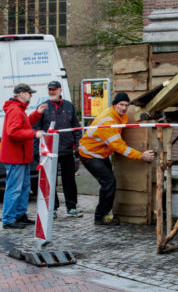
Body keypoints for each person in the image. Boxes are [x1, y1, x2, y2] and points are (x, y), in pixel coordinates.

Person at [78, 92, 154, 225]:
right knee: (109, 182)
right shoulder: (107, 120)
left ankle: (104, 214)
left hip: (100, 154)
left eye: (126, 105)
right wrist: (141, 155)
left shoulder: (120, 115)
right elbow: (119, 146)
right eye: (121, 105)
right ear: (114, 105)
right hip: (90, 155)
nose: (124, 108)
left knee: (109, 183)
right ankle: (100, 217)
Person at [1, 84, 47, 229]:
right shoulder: (15, 110)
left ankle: (20, 215)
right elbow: (13, 132)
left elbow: (24, 124)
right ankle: (8, 219)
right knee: (14, 188)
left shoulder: (18, 109)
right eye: (29, 93)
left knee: (24, 187)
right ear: (21, 94)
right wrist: (34, 134)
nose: (31, 96)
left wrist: (37, 114)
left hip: (21, 157)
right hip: (16, 157)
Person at [34, 81, 83, 218]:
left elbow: (76, 128)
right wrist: (36, 150)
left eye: (54, 90)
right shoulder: (43, 107)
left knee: (69, 181)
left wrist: (79, 145)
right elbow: (35, 129)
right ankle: (52, 208)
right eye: (50, 90)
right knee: (50, 181)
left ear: (60, 90)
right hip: (49, 151)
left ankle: (71, 207)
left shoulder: (69, 106)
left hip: (67, 150)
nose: (52, 92)